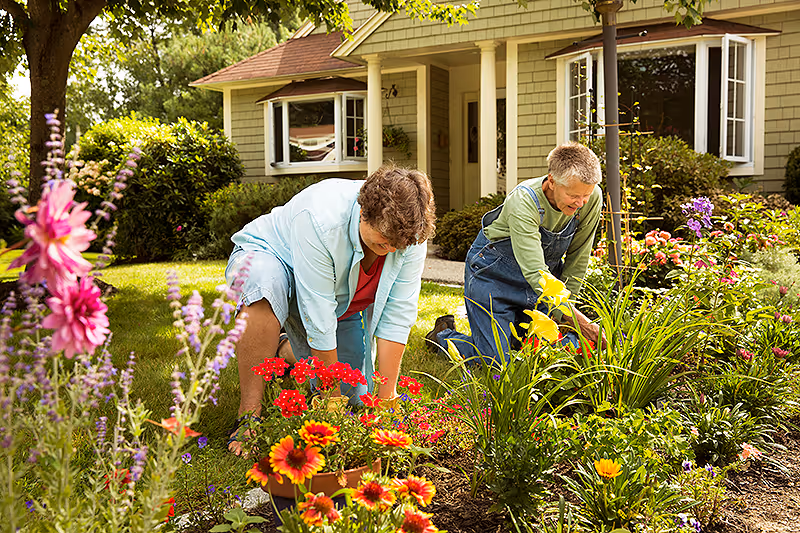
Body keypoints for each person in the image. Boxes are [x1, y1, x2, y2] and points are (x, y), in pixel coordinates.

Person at [225, 166, 436, 455]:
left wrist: (387, 402)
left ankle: (281, 351)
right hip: (271, 256)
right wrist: (329, 407)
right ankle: (249, 417)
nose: (388, 250)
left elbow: (397, 314)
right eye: (382, 242)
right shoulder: (320, 218)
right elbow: (319, 319)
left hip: (338, 298)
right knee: (264, 286)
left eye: (397, 246)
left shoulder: (409, 233)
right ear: (363, 212)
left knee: (355, 395)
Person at [426, 142, 603, 363]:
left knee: (538, 354)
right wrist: (583, 324)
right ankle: (442, 336)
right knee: (496, 361)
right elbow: (535, 271)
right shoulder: (524, 201)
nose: (581, 202)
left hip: (539, 288)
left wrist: (565, 316)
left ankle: (504, 339)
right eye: (573, 196)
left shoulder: (592, 198)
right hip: (493, 278)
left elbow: (579, 258)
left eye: (586, 195)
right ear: (552, 181)